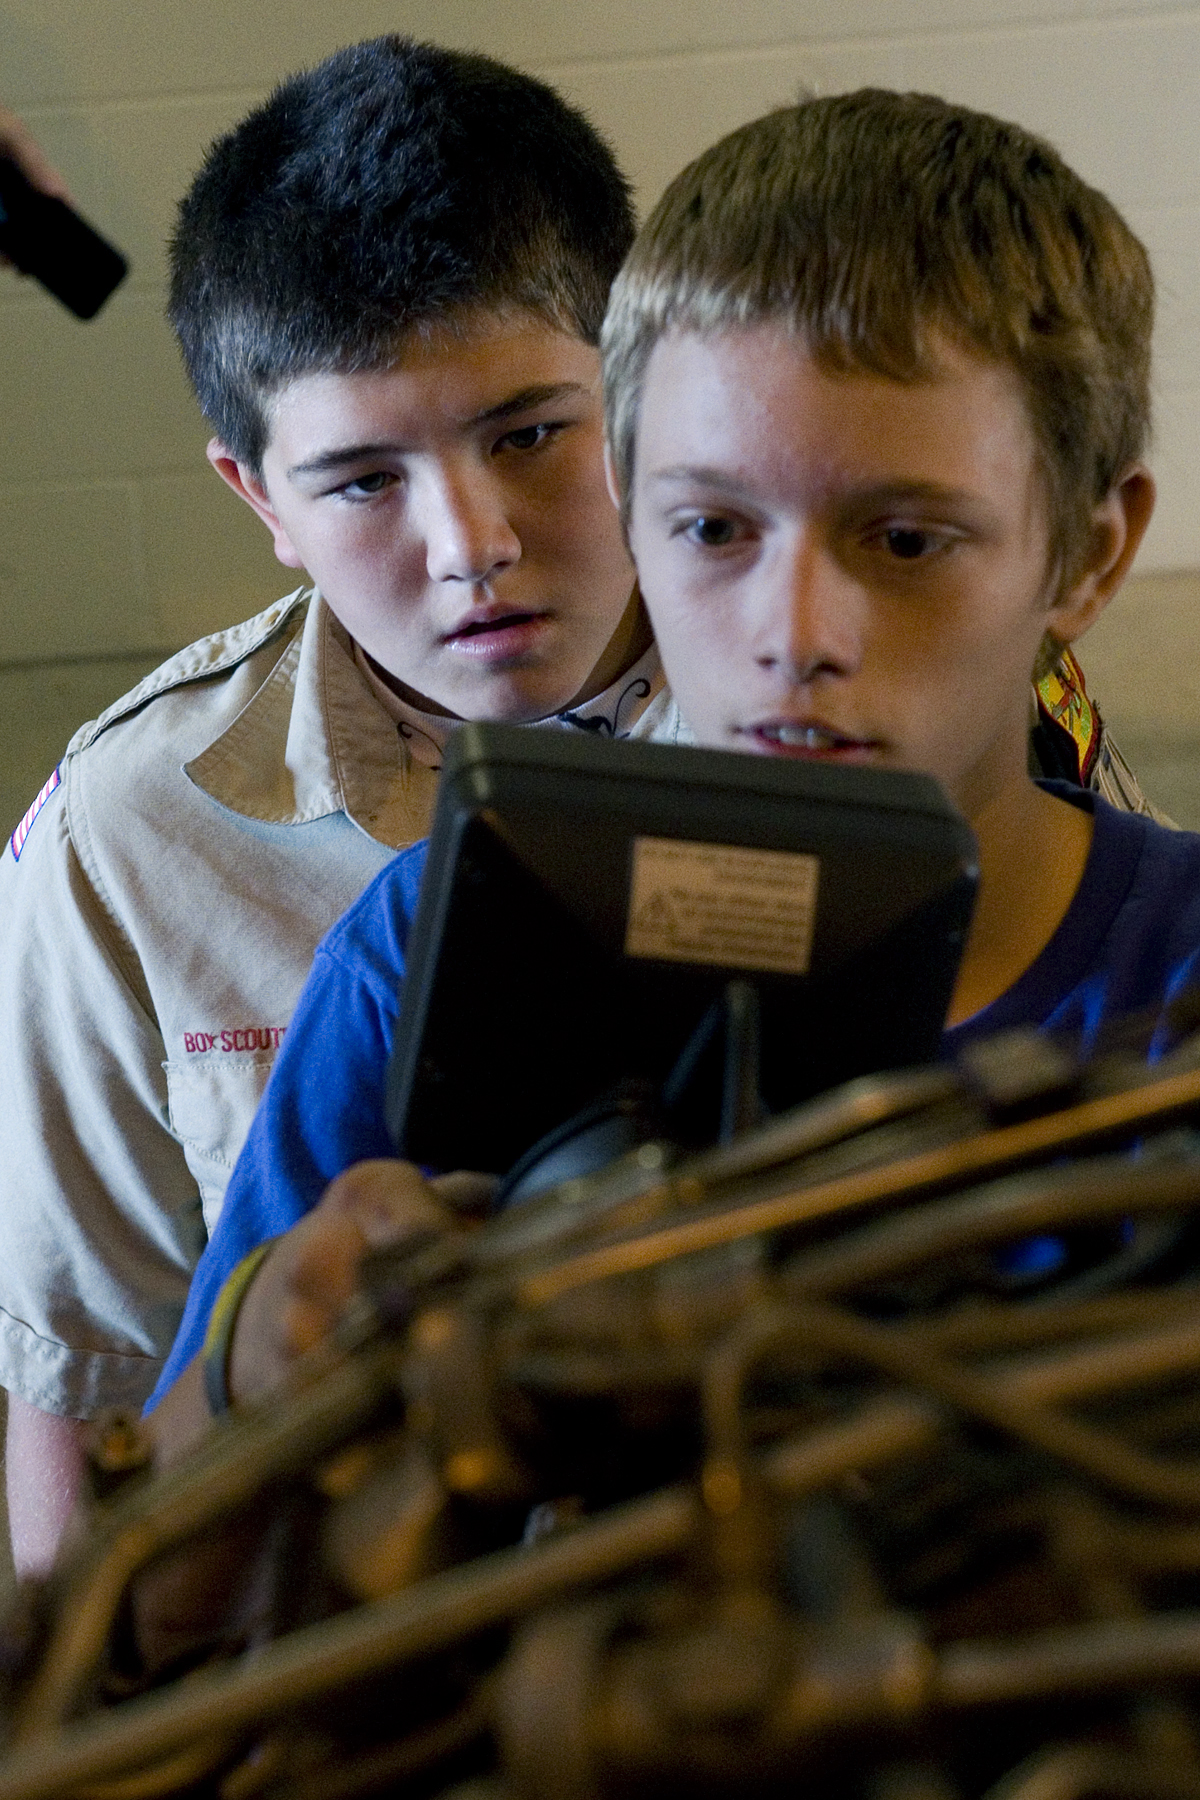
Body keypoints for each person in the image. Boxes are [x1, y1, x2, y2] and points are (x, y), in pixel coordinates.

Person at [147, 89, 1200, 1499]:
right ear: (633, 504)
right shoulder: (432, 951)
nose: (793, 631)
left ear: (1083, 551)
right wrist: (262, 1375)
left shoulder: (1177, 983)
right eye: (711, 528)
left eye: (904, 538)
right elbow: (155, 1586)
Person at [0, 36, 685, 1574]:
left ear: (643, 385)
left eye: (529, 433)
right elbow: (77, 1386)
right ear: (261, 504)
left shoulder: (846, 722)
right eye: (365, 479)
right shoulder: (131, 836)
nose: (471, 542)